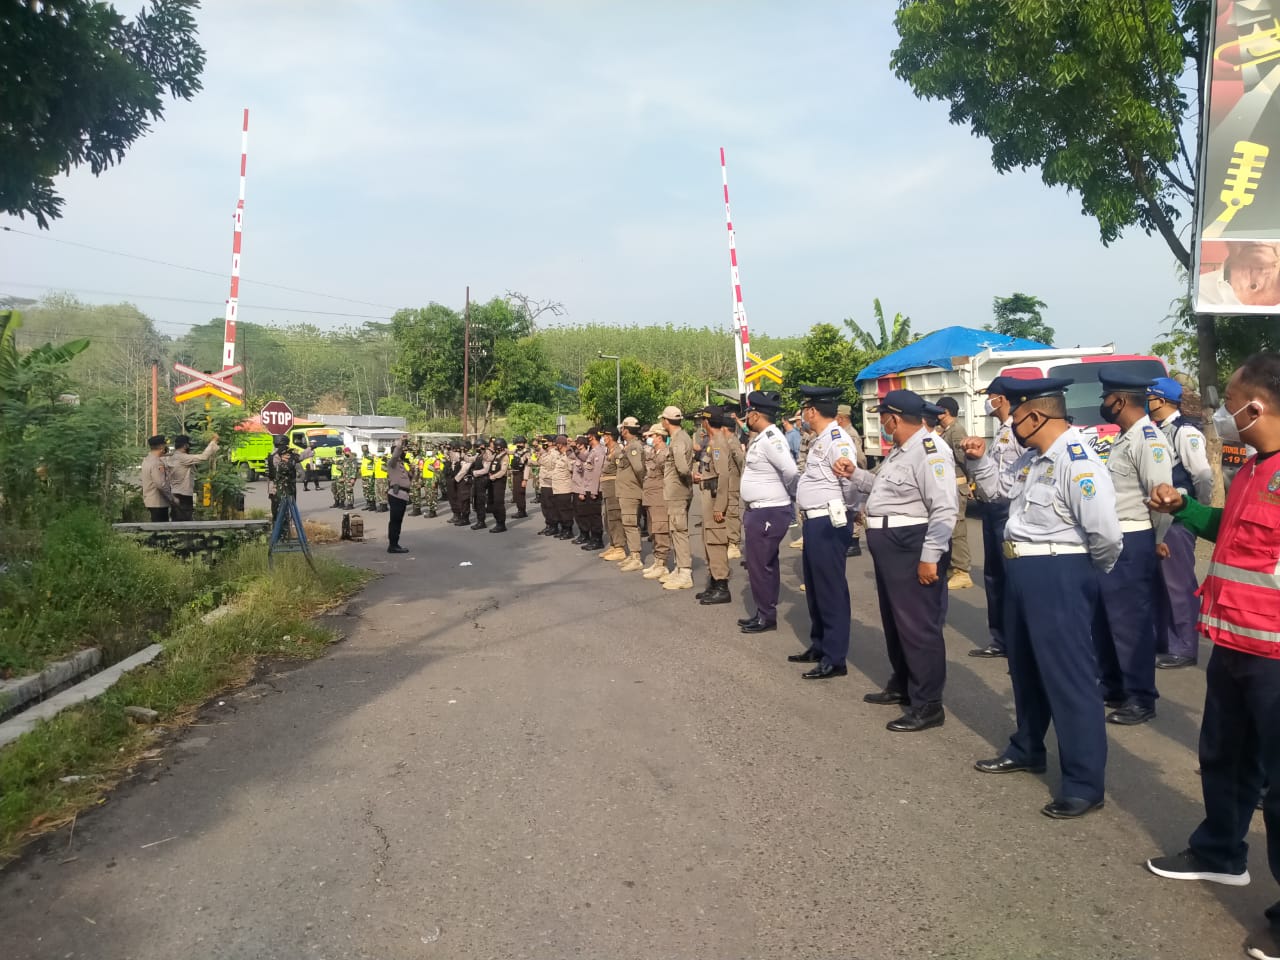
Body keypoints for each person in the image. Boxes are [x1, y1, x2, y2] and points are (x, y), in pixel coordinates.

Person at [1143, 352, 1280, 960]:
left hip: (1276, 652)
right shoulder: (1255, 467)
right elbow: (1234, 531)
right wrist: (1185, 512)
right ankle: (1220, 852)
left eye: (1231, 400)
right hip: (1234, 641)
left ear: (1258, 406)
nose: (1223, 411)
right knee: (1223, 755)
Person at [964, 377, 1123, 819]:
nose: (1011, 423)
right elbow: (996, 494)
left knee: (1069, 678)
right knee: (1026, 668)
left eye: (1015, 415)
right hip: (1024, 570)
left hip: (1059, 572)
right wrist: (977, 463)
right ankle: (1027, 746)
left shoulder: (1078, 461)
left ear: (1035, 416)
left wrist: (1083, 577)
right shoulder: (1035, 459)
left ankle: (1084, 782)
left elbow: (1106, 535)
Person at [852, 390, 958, 732]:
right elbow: (885, 489)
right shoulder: (900, 451)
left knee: (918, 625)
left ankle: (927, 704)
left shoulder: (930, 450)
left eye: (882, 416)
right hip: (890, 545)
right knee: (896, 621)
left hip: (911, 544)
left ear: (894, 419)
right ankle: (904, 683)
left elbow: (944, 507)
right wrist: (853, 475)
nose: (881, 422)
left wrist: (930, 557)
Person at [1095, 372, 1174, 726]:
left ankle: (1141, 697)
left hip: (1135, 538)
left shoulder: (1148, 440)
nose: (1104, 403)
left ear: (1120, 401)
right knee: (1107, 619)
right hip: (1115, 538)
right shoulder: (1125, 437)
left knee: (1131, 623)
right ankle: (1114, 686)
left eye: (1106, 396)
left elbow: (1162, 498)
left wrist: (1157, 541)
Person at [786, 386, 858, 679]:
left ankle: (835, 657)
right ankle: (820, 645)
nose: (803, 414)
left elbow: (850, 480)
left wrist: (849, 515)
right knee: (816, 588)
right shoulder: (820, 440)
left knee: (830, 590)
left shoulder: (836, 440)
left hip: (830, 521)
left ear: (812, 411)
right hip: (815, 522)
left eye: (805, 408)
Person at [1147, 377, 1214, 669]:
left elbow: (1202, 475)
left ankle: (1184, 646)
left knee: (1178, 583)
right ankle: (1166, 640)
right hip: (1158, 517)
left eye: (1149, 396)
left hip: (1178, 517)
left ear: (1161, 400)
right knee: (1161, 581)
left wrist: (1195, 510)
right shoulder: (1154, 430)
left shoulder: (1184, 433)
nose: (1145, 401)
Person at [738, 391, 798, 633]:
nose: (747, 419)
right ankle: (763, 611)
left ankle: (766, 616)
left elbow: (791, 471)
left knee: (760, 565)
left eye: (748, 415)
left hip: (768, 511)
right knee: (763, 564)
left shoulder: (772, 438)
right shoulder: (763, 438)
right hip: (761, 510)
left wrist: (787, 495)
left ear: (754, 415)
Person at [970, 378, 1020, 659]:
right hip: (992, 507)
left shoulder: (1018, 431)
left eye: (989, 397)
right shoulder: (1001, 431)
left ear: (1001, 399)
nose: (986, 403)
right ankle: (999, 637)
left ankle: (1014, 638)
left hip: (1009, 508)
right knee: (994, 576)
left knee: (1010, 576)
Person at [694, 409, 736, 604]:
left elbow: (724, 476)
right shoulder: (712, 443)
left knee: (717, 541)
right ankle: (713, 582)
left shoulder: (718, 443)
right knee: (709, 540)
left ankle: (721, 585)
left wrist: (720, 506)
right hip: (707, 495)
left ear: (707, 422)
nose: (702, 423)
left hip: (714, 500)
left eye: (703, 420)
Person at [935, 396, 974, 589]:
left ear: (946, 411)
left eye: (939, 410)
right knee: (950, 527)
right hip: (950, 485)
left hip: (957, 484)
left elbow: (964, 460)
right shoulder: (946, 431)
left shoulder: (956, 431)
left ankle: (962, 571)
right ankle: (953, 568)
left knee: (957, 530)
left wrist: (971, 483)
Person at [661, 406, 696, 591]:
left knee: (679, 531)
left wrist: (689, 476)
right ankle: (679, 566)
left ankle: (684, 571)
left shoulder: (678, 440)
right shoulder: (679, 437)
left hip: (678, 492)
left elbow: (682, 468)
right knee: (675, 530)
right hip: (676, 491)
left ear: (666, 421)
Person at [614, 418, 648, 572]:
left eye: (622, 428)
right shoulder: (630, 446)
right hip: (626, 491)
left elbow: (639, 469)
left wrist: (642, 485)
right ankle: (632, 553)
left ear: (626, 429)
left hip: (631, 491)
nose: (621, 431)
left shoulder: (633, 447)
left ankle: (636, 556)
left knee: (630, 523)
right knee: (628, 523)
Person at [835, 403, 868, 557]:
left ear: (841, 418)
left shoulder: (850, 434)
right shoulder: (843, 432)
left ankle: (854, 544)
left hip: (853, 475)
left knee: (854, 510)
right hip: (848, 474)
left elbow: (860, 457)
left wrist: (858, 472)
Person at [165, 433, 219, 521]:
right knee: (185, 523)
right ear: (185, 446)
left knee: (176, 521)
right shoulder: (183, 458)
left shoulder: (173, 457)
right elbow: (204, 457)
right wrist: (213, 442)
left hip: (175, 493)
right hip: (183, 495)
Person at [642, 423, 672, 579]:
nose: (648, 439)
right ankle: (657, 560)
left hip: (660, 496)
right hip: (650, 496)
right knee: (653, 530)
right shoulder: (653, 452)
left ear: (659, 437)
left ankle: (662, 563)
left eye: (651, 436)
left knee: (661, 530)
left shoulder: (665, 453)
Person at [141, 434, 177, 522]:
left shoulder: (146, 460)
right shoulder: (157, 463)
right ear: (161, 447)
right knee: (161, 532)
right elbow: (161, 484)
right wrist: (172, 498)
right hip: (159, 502)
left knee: (156, 530)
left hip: (150, 500)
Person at [385, 436, 411, 553]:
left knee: (398, 521)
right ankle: (393, 545)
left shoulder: (402, 465)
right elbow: (395, 455)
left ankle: (395, 544)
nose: (403, 453)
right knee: (395, 521)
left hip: (402, 495)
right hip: (396, 494)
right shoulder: (392, 463)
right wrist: (400, 445)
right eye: (401, 451)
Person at [550, 434, 576, 539]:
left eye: (557, 444)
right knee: (559, 510)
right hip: (557, 487)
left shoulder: (569, 455)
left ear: (560, 445)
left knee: (565, 510)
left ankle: (568, 530)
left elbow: (572, 469)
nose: (556, 446)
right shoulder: (560, 455)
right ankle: (563, 529)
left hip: (565, 487)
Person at [487, 437, 510, 533]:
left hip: (499, 481)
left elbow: (503, 471)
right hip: (493, 480)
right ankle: (497, 522)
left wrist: (494, 476)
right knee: (493, 502)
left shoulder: (505, 456)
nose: (495, 447)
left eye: (496, 445)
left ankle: (501, 524)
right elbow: (488, 458)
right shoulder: (496, 455)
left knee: (498, 503)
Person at [470, 438, 492, 530]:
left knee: (480, 502)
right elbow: (470, 459)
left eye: (478, 447)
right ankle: (479, 520)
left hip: (482, 480)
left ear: (482, 446)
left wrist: (475, 473)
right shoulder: (479, 455)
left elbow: (486, 470)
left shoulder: (486, 455)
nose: (477, 448)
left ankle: (481, 522)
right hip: (477, 480)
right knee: (476, 501)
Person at [510, 436, 531, 519]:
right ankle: (520, 510)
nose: (519, 445)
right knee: (516, 493)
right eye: (518, 443)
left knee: (520, 493)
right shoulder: (516, 451)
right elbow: (509, 452)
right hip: (515, 474)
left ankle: (522, 511)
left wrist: (525, 479)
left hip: (521, 474)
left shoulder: (526, 453)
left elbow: (527, 466)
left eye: (521, 443)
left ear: (524, 443)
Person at [359, 445, 376, 511]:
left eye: (365, 448)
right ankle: (368, 503)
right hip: (364, 475)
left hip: (370, 475)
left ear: (368, 448)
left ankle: (373, 505)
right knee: (365, 490)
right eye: (363, 448)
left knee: (370, 490)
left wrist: (366, 454)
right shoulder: (363, 455)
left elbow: (372, 458)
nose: (364, 449)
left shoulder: (370, 455)